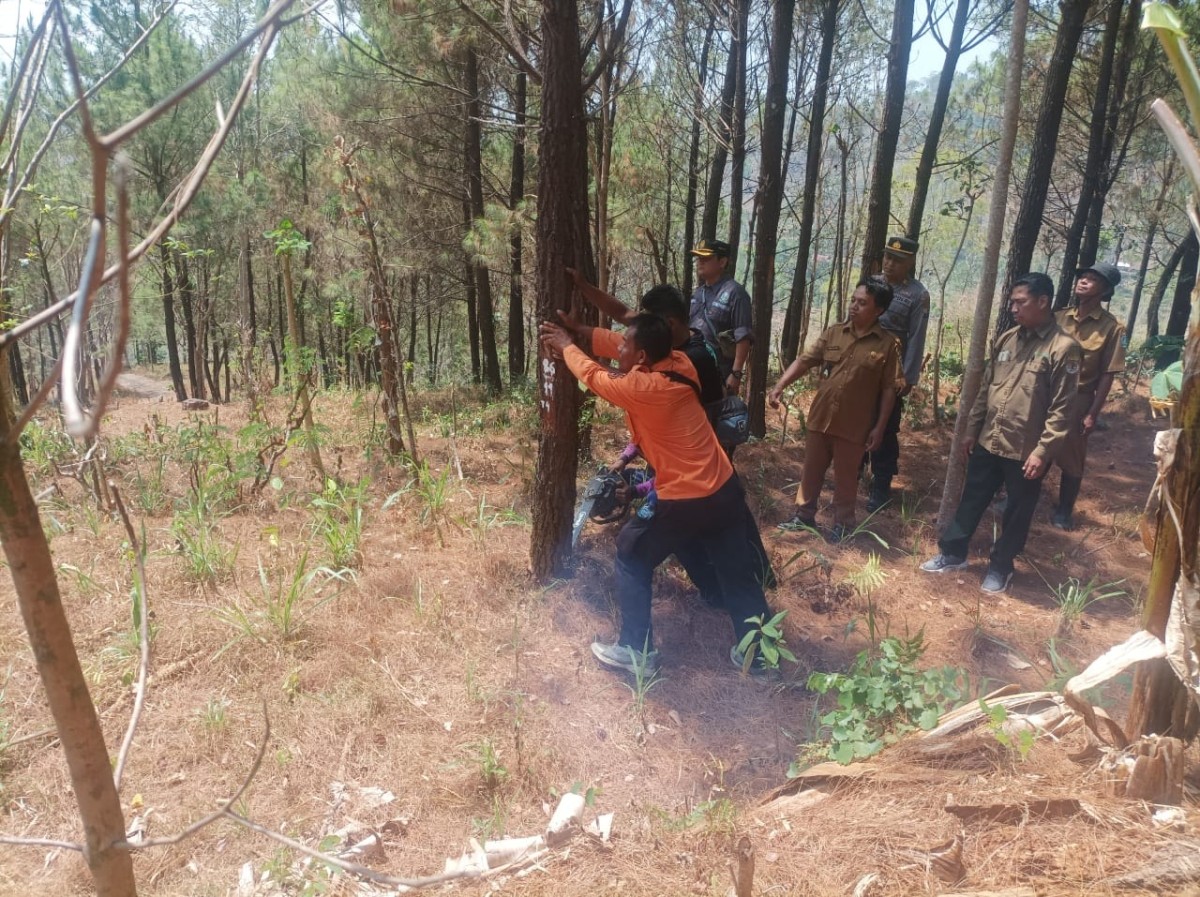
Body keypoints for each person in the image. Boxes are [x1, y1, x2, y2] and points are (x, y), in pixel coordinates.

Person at [539, 313, 775, 678]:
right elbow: (615, 339)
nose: (619, 348)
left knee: (631, 553)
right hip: (724, 489)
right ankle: (760, 653)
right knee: (737, 572)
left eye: (626, 348)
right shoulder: (678, 362)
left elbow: (593, 376)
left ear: (643, 358)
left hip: (685, 497)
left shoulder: (644, 388)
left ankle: (637, 650)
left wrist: (568, 345)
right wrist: (582, 332)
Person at [563, 271, 776, 592]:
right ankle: (718, 590)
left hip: (695, 456)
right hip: (681, 457)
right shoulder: (664, 345)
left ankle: (758, 578)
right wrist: (583, 297)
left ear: (670, 324)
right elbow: (623, 321)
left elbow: (613, 378)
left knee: (719, 527)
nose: (636, 328)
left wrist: (570, 346)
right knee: (697, 530)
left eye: (648, 321)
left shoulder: (691, 357)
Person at [921, 273, 1081, 594]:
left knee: (1017, 512)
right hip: (989, 439)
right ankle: (953, 553)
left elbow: (1063, 409)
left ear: (1043, 302)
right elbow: (986, 390)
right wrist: (972, 430)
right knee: (972, 499)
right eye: (1012, 302)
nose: (1013, 308)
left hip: (1026, 449)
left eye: (1020, 302)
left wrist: (1043, 451)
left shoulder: (1063, 349)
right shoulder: (1007, 339)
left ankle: (1001, 567)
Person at [769, 277, 902, 543]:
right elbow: (806, 361)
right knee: (811, 470)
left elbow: (889, 389)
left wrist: (879, 427)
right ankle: (803, 516)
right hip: (822, 416)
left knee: (846, 477)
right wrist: (780, 385)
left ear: (879, 310)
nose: (853, 306)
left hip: (854, 424)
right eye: (853, 300)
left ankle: (843, 525)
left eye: (862, 303)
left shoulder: (887, 344)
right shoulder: (834, 332)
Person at [1051, 262, 1126, 530]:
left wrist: (1093, 413)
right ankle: (1018, 496)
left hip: (1077, 398)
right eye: (1082, 276)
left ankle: (1063, 510)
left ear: (1105, 290)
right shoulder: (1059, 317)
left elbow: (1108, 373)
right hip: (1045, 393)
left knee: (1072, 455)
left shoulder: (1113, 328)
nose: (1083, 281)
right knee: (1032, 444)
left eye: (1092, 279)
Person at [866, 235, 931, 512]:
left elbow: (916, 337)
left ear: (911, 262)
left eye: (898, 260)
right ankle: (854, 472)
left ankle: (881, 484)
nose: (891, 264)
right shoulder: (873, 284)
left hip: (890, 372)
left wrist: (908, 377)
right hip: (862, 365)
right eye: (888, 257)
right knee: (856, 421)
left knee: (886, 426)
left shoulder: (917, 294)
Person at [689, 239, 753, 396]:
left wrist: (736, 374)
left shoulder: (736, 293)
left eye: (706, 259)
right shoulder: (698, 293)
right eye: (698, 259)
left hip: (720, 374)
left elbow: (743, 336)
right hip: (694, 371)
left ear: (722, 262)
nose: (700, 263)